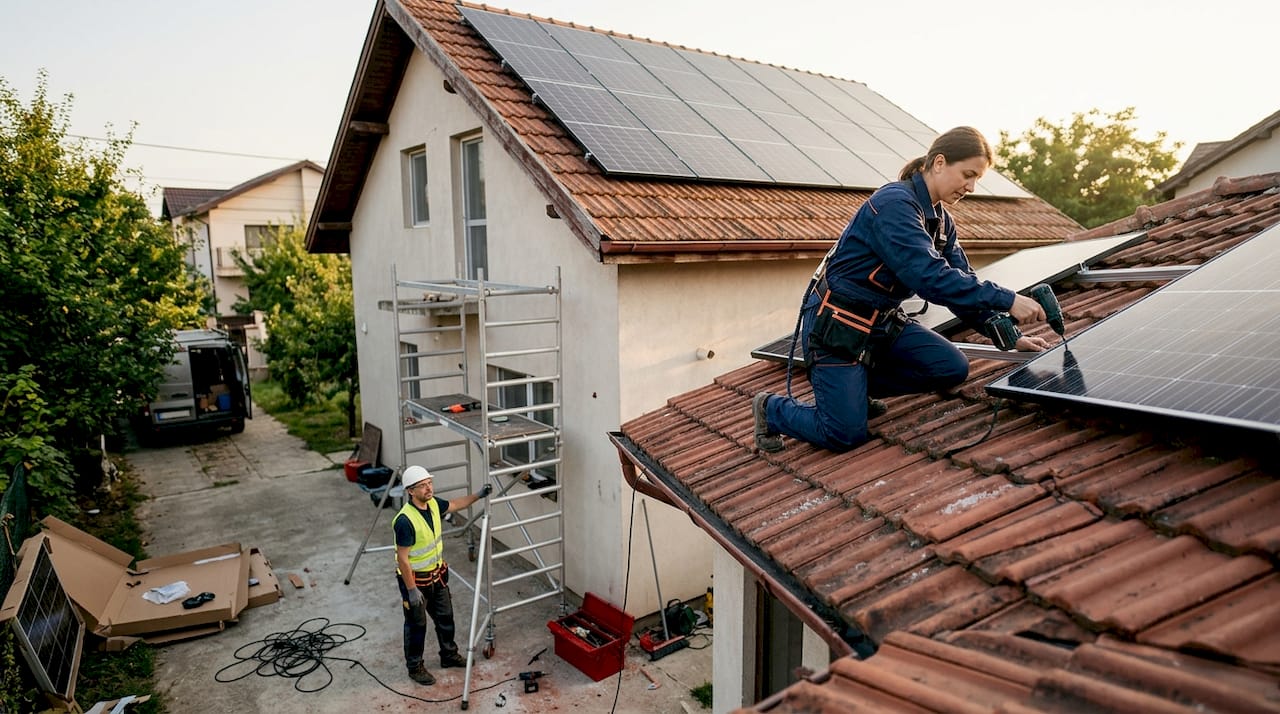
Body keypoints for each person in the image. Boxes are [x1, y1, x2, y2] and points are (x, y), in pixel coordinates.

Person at [754, 126, 1051, 454]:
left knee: (951, 367)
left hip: (882, 325)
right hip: (837, 327)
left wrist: (1008, 335)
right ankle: (772, 410)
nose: (971, 187)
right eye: (967, 175)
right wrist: (1008, 299)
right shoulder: (894, 204)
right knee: (844, 435)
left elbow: (961, 281)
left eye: (976, 179)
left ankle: (854, 388)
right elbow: (930, 277)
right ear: (939, 163)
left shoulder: (941, 221)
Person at [395, 464, 492, 685]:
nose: (429, 488)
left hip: (437, 577)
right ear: (410, 491)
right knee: (416, 625)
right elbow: (403, 559)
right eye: (423, 486)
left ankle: (448, 655)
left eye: (430, 483)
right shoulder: (405, 520)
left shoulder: (433, 505)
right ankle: (415, 667)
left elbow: (456, 504)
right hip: (415, 582)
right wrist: (411, 590)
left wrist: (478, 495)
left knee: (445, 618)